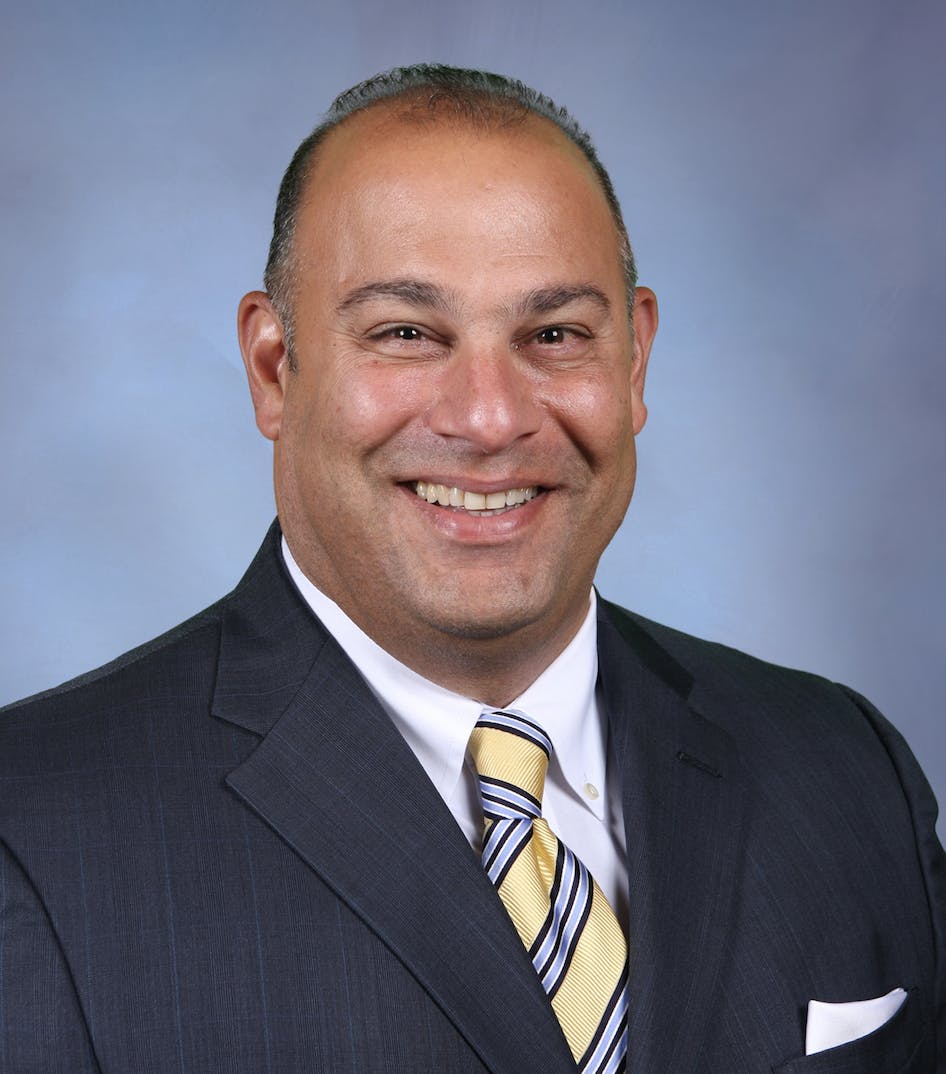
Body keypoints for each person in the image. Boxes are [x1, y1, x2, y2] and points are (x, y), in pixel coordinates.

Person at [0, 64, 942, 1074]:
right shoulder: (34, 835)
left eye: (555, 335)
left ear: (633, 362)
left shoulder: (845, 770)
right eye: (406, 334)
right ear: (274, 368)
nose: (491, 418)